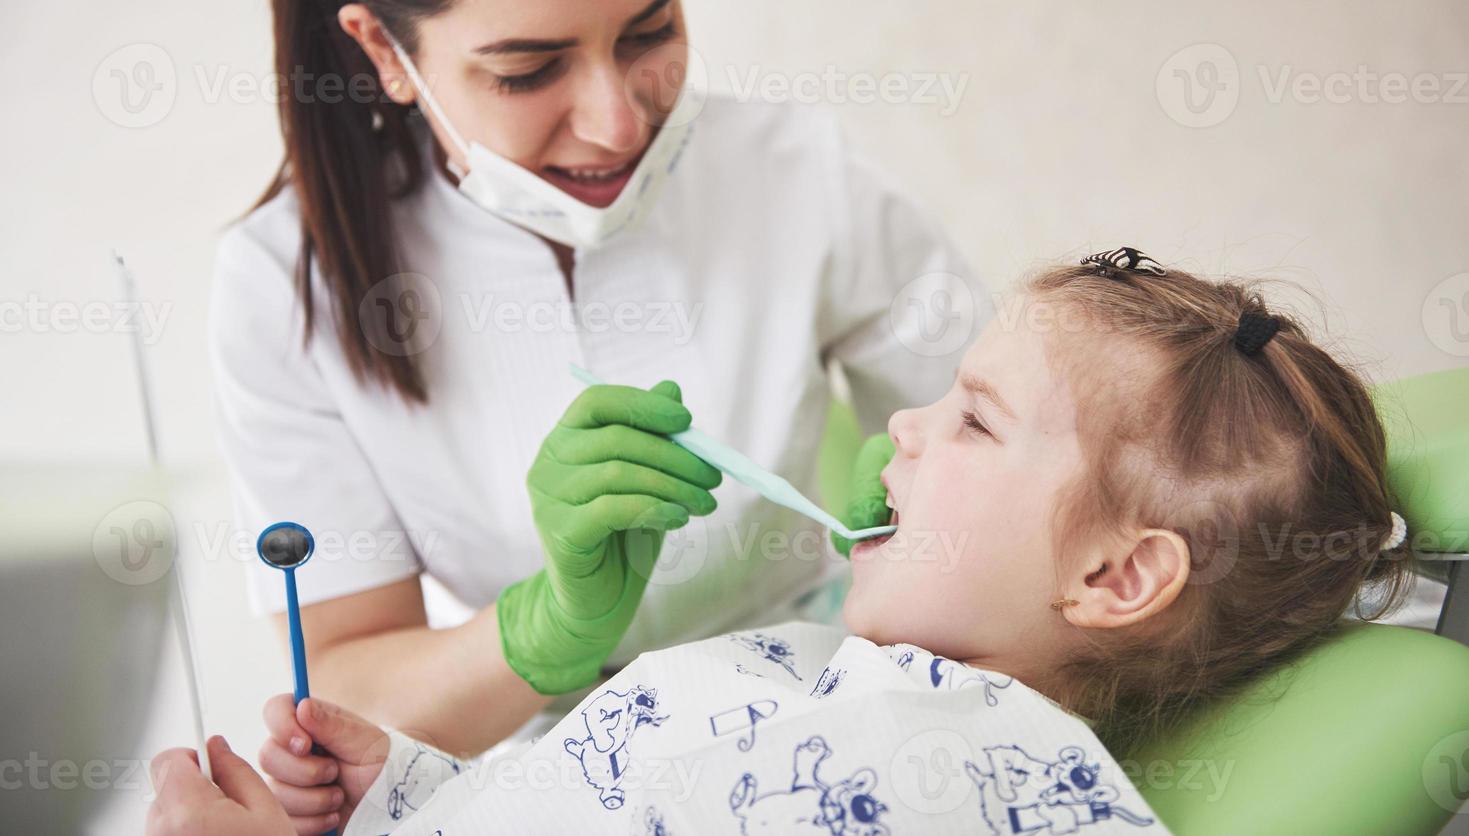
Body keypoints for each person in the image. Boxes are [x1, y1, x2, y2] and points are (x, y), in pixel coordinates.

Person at [156, 251, 1413, 834]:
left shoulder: (964, 770)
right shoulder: (819, 678)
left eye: (972, 418)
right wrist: (402, 788)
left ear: (1114, 576)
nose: (902, 429)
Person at [210, 0, 978, 757]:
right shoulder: (285, 282)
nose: (616, 123)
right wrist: (540, 633)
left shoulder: (796, 173)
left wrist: (933, 525)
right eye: (528, 71)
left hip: (822, 702)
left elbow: (1034, 445)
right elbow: (342, 686)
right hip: (535, 762)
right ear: (384, 50)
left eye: (650, 32)